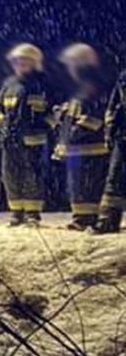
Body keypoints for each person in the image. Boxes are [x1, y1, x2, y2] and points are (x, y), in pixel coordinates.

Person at [0, 43, 53, 226]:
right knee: (10, 175)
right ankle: (16, 212)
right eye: (17, 60)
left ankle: (33, 213)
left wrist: (43, 127)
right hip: (10, 139)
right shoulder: (9, 84)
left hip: (33, 139)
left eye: (25, 60)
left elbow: (54, 110)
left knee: (32, 175)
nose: (20, 63)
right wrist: (0, 120)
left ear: (34, 62)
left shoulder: (42, 84)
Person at [53, 43, 111, 230]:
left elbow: (96, 116)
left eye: (71, 64)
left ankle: (89, 218)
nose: (69, 69)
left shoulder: (94, 87)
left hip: (90, 147)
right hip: (75, 148)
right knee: (77, 184)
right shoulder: (81, 87)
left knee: (88, 183)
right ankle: (81, 217)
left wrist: (74, 132)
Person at [95, 64, 126, 234]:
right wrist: (110, 132)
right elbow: (114, 107)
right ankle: (108, 221)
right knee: (115, 180)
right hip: (123, 137)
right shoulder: (124, 76)